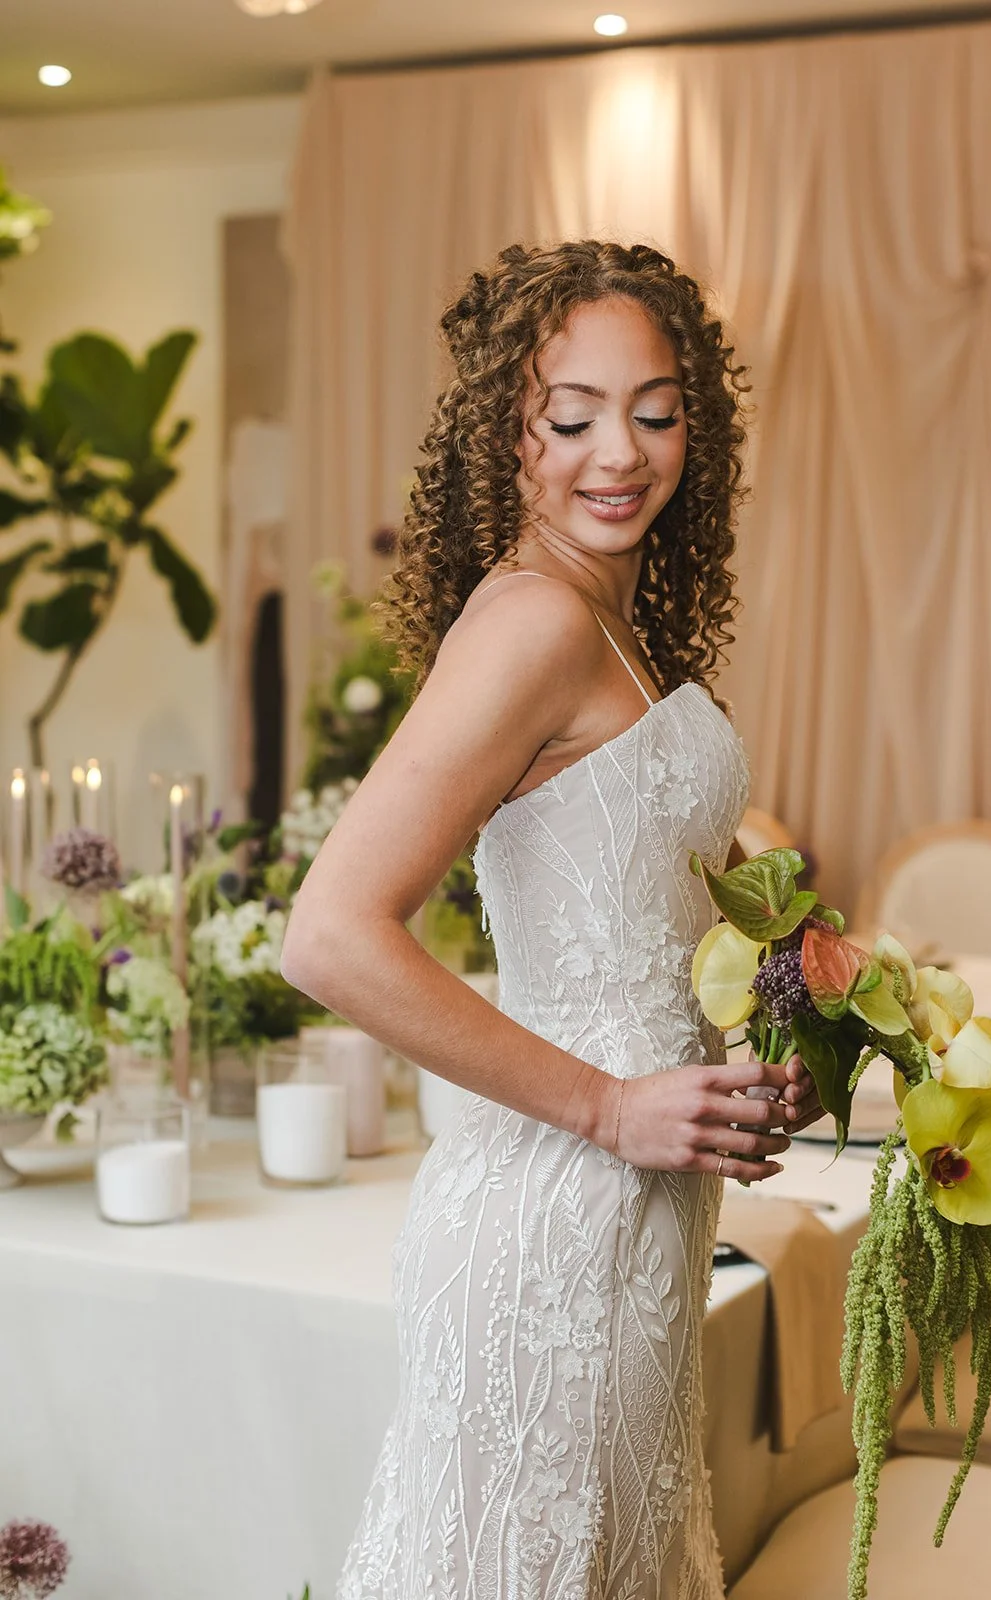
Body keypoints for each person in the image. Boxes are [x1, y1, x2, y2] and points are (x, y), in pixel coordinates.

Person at [281, 240, 825, 1600]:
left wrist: (802, 1005)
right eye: (569, 418)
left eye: (654, 411)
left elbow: (664, 904)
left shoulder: (612, 620)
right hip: (551, 1217)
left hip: (640, 1213)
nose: (618, 453)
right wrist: (608, 1107)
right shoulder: (534, 621)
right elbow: (329, 933)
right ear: (500, 436)